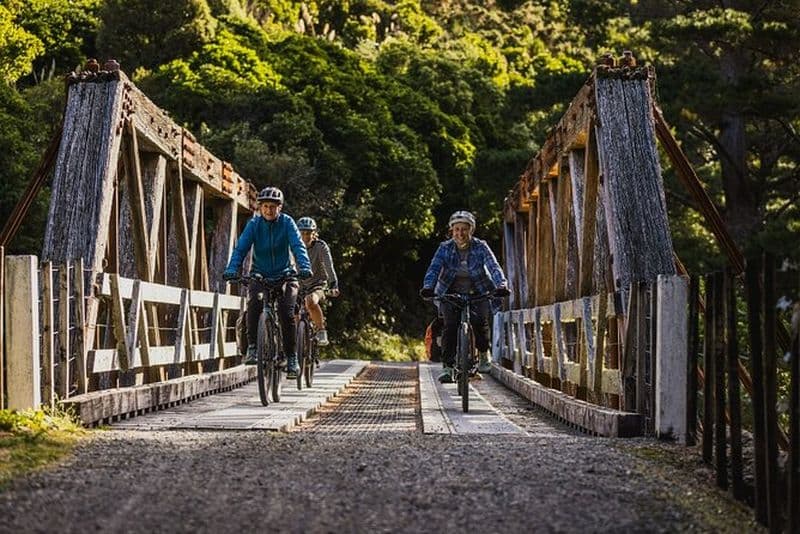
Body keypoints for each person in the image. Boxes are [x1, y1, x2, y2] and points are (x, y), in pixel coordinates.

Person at [223, 186, 312, 378]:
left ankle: (291, 358)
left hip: (286, 275)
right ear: (260, 207)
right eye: (265, 206)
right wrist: (232, 269)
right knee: (254, 302)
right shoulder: (254, 224)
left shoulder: (287, 223)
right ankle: (253, 348)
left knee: (287, 313)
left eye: (273, 207)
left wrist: (304, 267)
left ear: (279, 208)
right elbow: (241, 249)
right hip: (260, 275)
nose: (269, 210)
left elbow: (298, 246)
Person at [420, 210, 509, 383]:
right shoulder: (444, 248)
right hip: (450, 293)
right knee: (450, 326)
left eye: (464, 229)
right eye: (456, 229)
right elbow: (434, 268)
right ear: (452, 231)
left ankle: (483, 353)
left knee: (479, 322)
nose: (460, 233)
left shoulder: (481, 246)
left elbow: (493, 267)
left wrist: (501, 285)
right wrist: (428, 287)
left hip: (478, 291)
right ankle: (448, 367)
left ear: (471, 230)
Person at [296, 216, 339, 346]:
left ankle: (321, 331)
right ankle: (296, 343)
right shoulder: (292, 246)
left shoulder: (321, 247)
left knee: (311, 302)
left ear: (314, 234)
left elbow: (328, 265)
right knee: (291, 309)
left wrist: (333, 283)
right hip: (298, 284)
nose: (305, 236)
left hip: (317, 284)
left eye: (308, 233)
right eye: (302, 233)